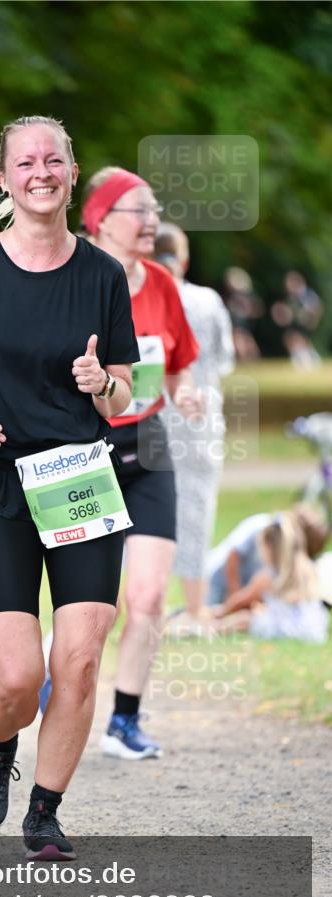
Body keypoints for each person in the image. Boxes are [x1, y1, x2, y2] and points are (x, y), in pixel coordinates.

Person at [0, 110, 138, 860]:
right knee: (17, 676)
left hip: (78, 479)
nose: (39, 173)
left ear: (72, 173)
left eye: (52, 161)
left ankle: (43, 810)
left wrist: (100, 380)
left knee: (78, 654)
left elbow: (122, 392)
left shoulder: (102, 274)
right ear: (6, 178)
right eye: (24, 163)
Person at [80, 167, 202, 760]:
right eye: (138, 210)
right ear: (100, 220)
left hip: (149, 442)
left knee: (149, 596)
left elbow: (177, 364)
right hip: (85, 446)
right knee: (93, 603)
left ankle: (124, 720)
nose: (152, 221)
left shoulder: (161, 283)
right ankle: (61, 674)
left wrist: (186, 394)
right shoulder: (73, 280)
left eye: (155, 210)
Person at [154, 223, 235, 636]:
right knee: (197, 509)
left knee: (148, 513)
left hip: (153, 421)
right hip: (200, 421)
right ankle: (195, 607)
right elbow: (225, 359)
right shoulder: (207, 300)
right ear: (184, 259)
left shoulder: (148, 298)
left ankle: (146, 603)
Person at [208, 513, 329, 645]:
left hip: (285, 628)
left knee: (245, 618)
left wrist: (218, 612)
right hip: (313, 629)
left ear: (270, 549)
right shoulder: (307, 569)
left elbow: (239, 602)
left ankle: (211, 629)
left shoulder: (267, 576)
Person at [205, 504, 329, 609]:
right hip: (216, 578)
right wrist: (234, 594)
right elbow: (232, 557)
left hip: (244, 588)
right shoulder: (263, 527)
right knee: (211, 610)